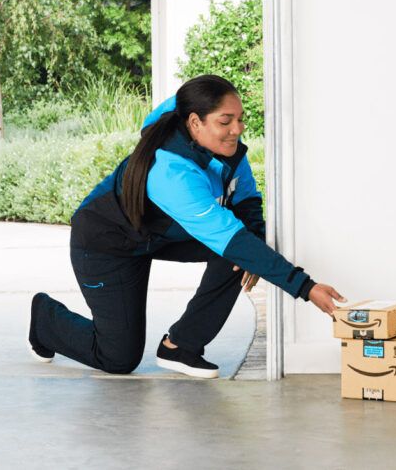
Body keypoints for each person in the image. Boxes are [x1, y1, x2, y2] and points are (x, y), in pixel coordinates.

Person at [28, 74, 345, 378]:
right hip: (106, 243)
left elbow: (247, 202)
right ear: (195, 122)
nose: (237, 129)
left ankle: (180, 346)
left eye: (240, 118)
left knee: (240, 255)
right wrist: (306, 288)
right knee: (118, 357)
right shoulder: (172, 174)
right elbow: (231, 237)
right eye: (225, 121)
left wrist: (255, 245)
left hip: (160, 235)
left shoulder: (224, 148)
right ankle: (45, 319)